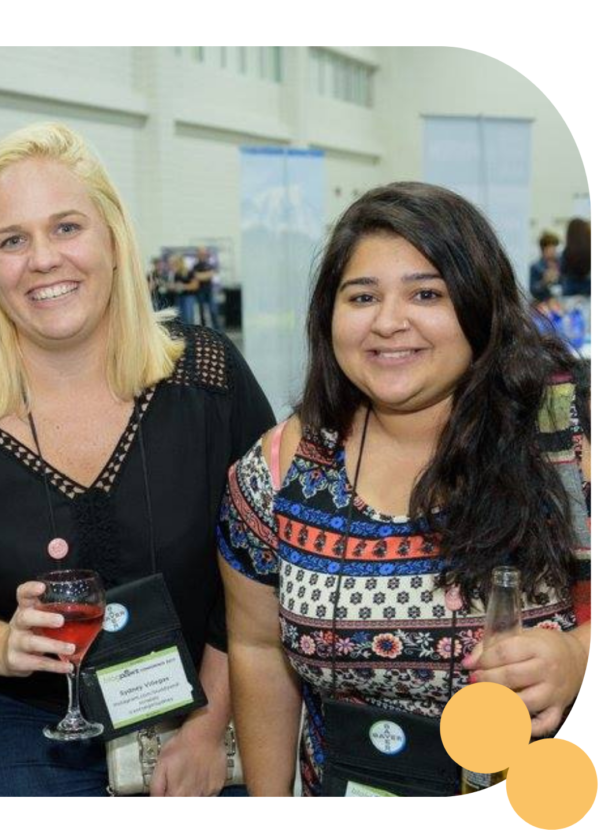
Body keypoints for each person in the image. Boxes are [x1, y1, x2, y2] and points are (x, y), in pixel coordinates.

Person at [0, 122, 274, 798]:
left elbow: (264, 561)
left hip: (204, 708)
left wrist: (210, 725)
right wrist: (2, 643)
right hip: (16, 726)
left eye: (66, 227)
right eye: (11, 240)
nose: (41, 259)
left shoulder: (207, 378)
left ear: (113, 238)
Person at [219, 182, 592, 798]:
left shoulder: (561, 434)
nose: (389, 322)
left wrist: (578, 656)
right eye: (362, 296)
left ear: (479, 305)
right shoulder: (282, 472)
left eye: (426, 293)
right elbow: (257, 649)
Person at [559, 218, 592, 297]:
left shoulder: (567, 252)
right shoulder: (590, 250)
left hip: (569, 288)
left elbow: (563, 270)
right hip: (588, 288)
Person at [529, 230, 561, 302]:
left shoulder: (561, 264)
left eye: (555, 248)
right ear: (543, 249)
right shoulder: (535, 267)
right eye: (551, 248)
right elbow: (533, 290)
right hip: (543, 304)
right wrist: (544, 282)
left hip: (560, 303)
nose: (554, 251)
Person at [192, 247, 219, 329]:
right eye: (201, 253)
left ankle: (217, 330)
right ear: (198, 254)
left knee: (213, 311)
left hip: (209, 291)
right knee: (202, 312)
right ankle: (204, 330)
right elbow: (196, 276)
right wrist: (206, 275)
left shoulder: (210, 264)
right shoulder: (195, 266)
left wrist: (202, 276)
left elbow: (211, 275)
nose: (203, 255)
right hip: (200, 291)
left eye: (204, 253)